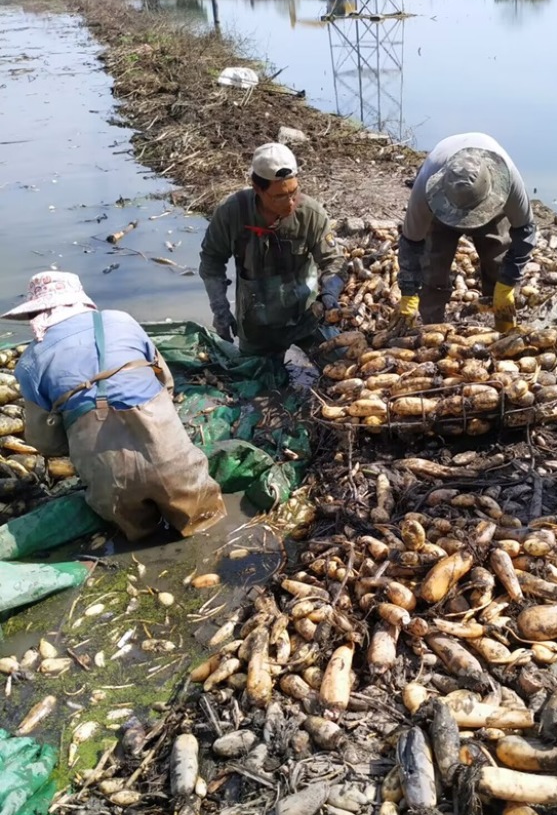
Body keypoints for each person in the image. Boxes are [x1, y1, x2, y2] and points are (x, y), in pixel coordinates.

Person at [4, 272, 226, 541]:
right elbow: (166, 384)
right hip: (170, 455)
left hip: (111, 483)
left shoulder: (30, 363)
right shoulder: (121, 320)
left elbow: (45, 443)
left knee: (140, 535)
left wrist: (83, 437)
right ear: (80, 302)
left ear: (36, 315)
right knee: (206, 521)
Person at [199, 142, 347, 355]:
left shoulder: (311, 214)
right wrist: (220, 310)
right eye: (279, 196)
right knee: (258, 381)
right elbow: (211, 262)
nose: (290, 203)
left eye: (294, 192)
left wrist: (330, 293)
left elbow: (334, 261)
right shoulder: (232, 213)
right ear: (257, 188)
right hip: (257, 325)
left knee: (340, 361)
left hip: (306, 317)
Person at [395, 132, 537, 333]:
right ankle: (432, 328)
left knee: (499, 262)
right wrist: (408, 293)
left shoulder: (508, 177)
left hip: (491, 209)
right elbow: (411, 243)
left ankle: (504, 328)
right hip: (441, 214)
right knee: (431, 269)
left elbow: (525, 231)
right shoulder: (426, 187)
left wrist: (508, 283)